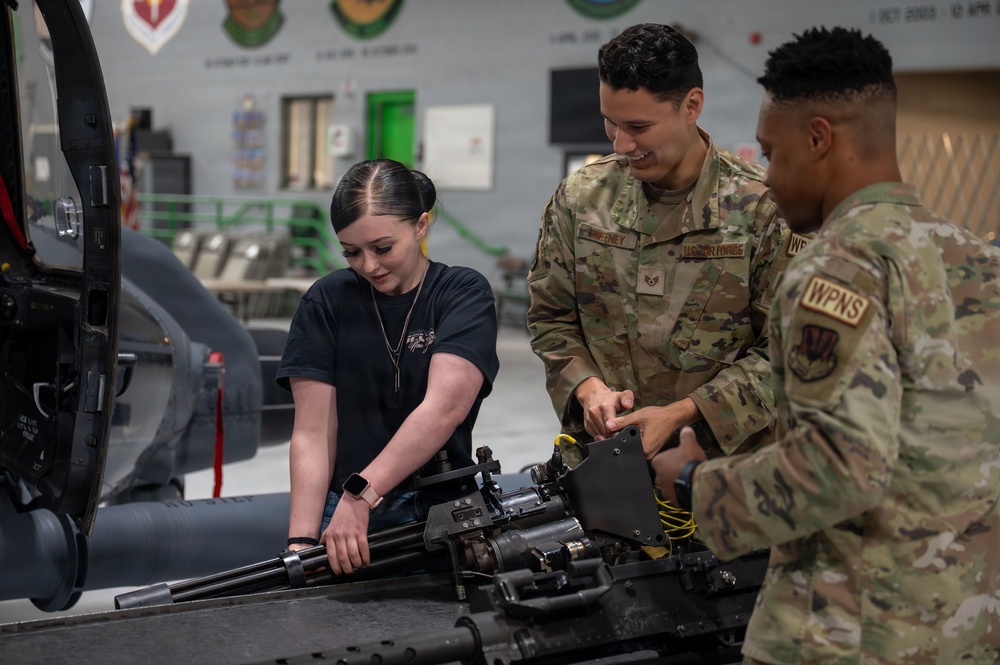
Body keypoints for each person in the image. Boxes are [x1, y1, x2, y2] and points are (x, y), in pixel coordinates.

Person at [648, 27, 1000, 664]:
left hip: (853, 628)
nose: (766, 175)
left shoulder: (834, 269)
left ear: (819, 138)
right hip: (967, 618)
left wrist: (697, 483)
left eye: (771, 152)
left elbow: (844, 468)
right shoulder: (975, 257)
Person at [527, 23, 807, 460]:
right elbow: (551, 319)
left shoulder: (764, 209)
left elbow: (788, 355)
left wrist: (681, 414)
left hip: (719, 474)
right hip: (604, 463)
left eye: (638, 126)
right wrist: (587, 387)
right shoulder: (581, 199)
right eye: (610, 122)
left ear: (691, 105)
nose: (622, 144)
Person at [275, 159, 500, 575]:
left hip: (441, 513)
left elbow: (443, 409)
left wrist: (362, 494)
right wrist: (302, 542)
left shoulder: (461, 294)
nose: (369, 266)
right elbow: (312, 432)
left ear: (420, 225)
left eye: (382, 248)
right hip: (343, 518)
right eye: (351, 252)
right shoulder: (327, 301)